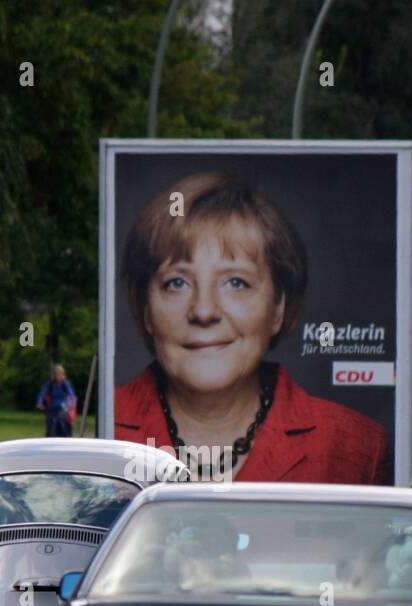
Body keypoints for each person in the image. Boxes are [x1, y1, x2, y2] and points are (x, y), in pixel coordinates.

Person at [114, 172, 392, 485]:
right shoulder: (100, 434)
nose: (204, 311)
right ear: (146, 309)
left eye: (236, 283)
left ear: (277, 308)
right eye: (176, 283)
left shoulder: (357, 448)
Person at [36, 364, 76, 437]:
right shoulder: (50, 384)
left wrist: (73, 404)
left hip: (63, 408)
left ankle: (64, 436)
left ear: (61, 374)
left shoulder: (65, 383)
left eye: (58, 373)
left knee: (59, 419)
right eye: (55, 374)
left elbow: (71, 394)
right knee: (49, 420)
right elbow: (42, 394)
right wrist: (39, 402)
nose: (56, 376)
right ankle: (49, 436)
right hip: (52, 407)